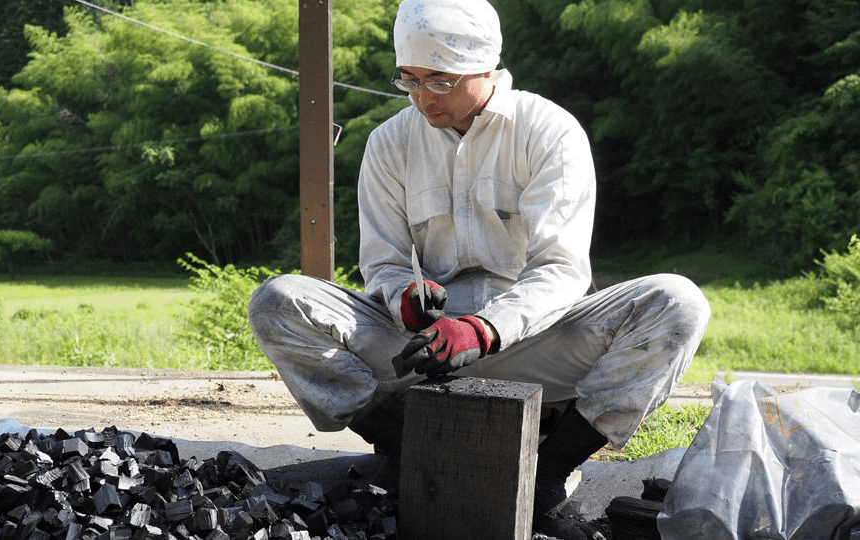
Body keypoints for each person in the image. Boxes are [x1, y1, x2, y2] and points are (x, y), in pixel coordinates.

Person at [248, 0, 710, 532]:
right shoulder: (389, 143)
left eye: (440, 81)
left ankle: (547, 474)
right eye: (410, 81)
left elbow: (561, 270)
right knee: (279, 301)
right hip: (423, 353)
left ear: (485, 67)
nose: (423, 98)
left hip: (536, 342)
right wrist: (404, 298)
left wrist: (483, 329)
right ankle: (406, 446)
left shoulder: (549, 132)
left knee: (678, 303)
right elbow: (383, 263)